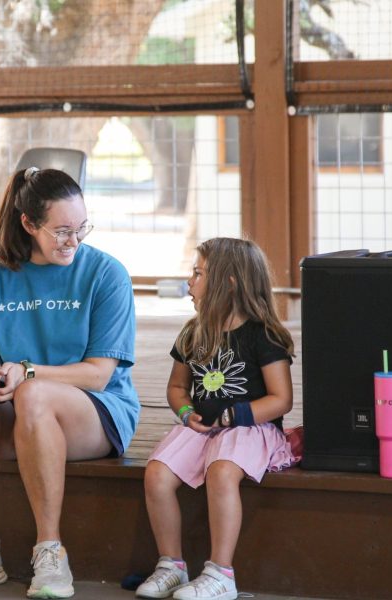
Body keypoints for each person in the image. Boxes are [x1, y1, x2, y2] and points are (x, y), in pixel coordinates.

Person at [0, 167, 139, 599]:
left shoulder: (107, 274)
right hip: (22, 413)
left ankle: (50, 551)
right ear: (28, 223)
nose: (74, 241)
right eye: (62, 231)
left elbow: (99, 374)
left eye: (81, 228)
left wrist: (27, 372)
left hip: (96, 413)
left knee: (34, 393)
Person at [135, 237, 296, 600]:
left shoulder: (263, 335)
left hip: (252, 428)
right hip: (204, 428)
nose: (189, 282)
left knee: (221, 471)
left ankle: (220, 574)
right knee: (157, 472)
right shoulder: (193, 332)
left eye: (198, 274)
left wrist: (238, 415)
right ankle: (172, 566)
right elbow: (177, 387)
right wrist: (185, 413)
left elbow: (281, 399)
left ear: (229, 282)